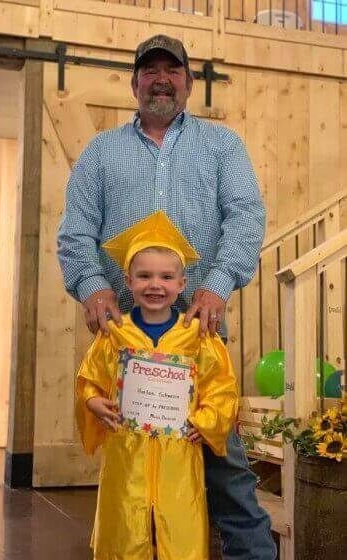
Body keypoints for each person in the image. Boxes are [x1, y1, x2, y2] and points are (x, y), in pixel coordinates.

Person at [58, 34, 277, 559]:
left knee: (225, 466)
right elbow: (74, 232)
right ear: (135, 82)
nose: (161, 79)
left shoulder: (221, 146)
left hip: (198, 327)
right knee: (133, 466)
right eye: (150, 70)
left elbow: (245, 218)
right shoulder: (100, 153)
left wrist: (218, 284)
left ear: (188, 82)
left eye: (172, 70)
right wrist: (92, 285)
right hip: (125, 332)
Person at [76, 211, 239, 559]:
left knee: (180, 526)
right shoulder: (115, 335)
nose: (155, 285)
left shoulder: (196, 336)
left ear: (182, 284)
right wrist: (92, 402)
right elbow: (90, 379)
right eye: (144, 276)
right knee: (123, 526)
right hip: (127, 452)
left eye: (166, 277)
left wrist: (207, 421)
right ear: (128, 280)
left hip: (178, 456)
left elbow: (221, 388)